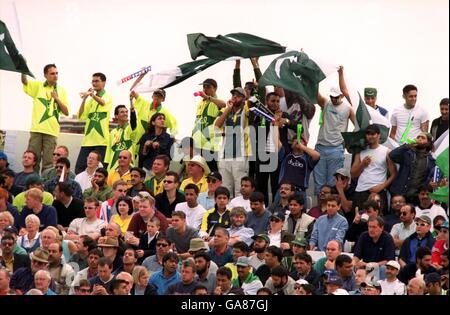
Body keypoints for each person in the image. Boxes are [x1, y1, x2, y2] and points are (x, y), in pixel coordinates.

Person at [313, 67, 356, 196]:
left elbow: (358, 126)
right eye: (332, 97)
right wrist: (312, 72)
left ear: (342, 96)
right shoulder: (326, 103)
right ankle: (320, 213)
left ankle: (331, 210)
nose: (334, 99)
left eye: (336, 97)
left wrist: (349, 142)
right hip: (320, 147)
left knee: (333, 183)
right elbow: (315, 92)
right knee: (319, 184)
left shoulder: (348, 108)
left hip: (336, 149)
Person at [21, 64, 69, 173]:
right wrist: (22, 69)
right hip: (36, 130)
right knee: (33, 160)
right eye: (52, 73)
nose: (55, 75)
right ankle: (32, 184)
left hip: (51, 131)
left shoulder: (62, 90)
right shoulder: (38, 86)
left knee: (48, 163)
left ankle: (44, 185)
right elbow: (24, 81)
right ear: (45, 75)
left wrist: (57, 99)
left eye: (57, 73)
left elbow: (66, 112)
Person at [350, 124, 397, 214]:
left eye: (373, 134)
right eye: (368, 134)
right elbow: (353, 174)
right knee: (360, 220)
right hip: (361, 191)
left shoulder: (386, 151)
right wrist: (362, 164)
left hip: (378, 191)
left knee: (378, 219)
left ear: (378, 135)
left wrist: (381, 187)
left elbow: (394, 174)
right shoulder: (360, 151)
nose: (370, 136)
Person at [215, 87, 252, 198]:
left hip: (240, 156)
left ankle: (239, 214)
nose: (235, 97)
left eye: (238, 95)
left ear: (244, 99)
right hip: (225, 156)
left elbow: (252, 103)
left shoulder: (246, 110)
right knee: (225, 190)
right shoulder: (226, 111)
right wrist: (228, 108)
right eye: (233, 95)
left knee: (240, 191)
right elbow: (217, 126)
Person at [76, 72, 112, 174]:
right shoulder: (90, 101)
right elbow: (80, 116)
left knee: (100, 170)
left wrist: (91, 95)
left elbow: (102, 102)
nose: (94, 83)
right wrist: (84, 99)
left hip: (101, 141)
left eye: (97, 81)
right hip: (87, 141)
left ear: (104, 82)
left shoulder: (107, 96)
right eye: (93, 81)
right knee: (79, 168)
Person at [389, 132, 436, 205]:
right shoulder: (408, 153)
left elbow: (428, 180)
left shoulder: (431, 161)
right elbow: (392, 155)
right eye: (418, 137)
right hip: (399, 194)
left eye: (423, 138)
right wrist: (407, 146)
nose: (419, 139)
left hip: (415, 198)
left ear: (428, 143)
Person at [192, 78, 226, 172]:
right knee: (199, 173)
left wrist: (208, 97)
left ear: (215, 88)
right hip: (198, 144)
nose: (205, 89)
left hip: (210, 145)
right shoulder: (201, 103)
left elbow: (223, 105)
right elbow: (198, 122)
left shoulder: (217, 102)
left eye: (208, 87)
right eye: (204, 87)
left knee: (212, 173)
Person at [278, 138, 320, 205]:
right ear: (291, 144)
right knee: (277, 213)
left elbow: (317, 155)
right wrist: (275, 128)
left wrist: (302, 146)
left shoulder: (307, 159)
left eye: (301, 141)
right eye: (295, 140)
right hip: (283, 190)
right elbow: (278, 144)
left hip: (300, 192)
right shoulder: (286, 155)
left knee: (300, 214)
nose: (297, 142)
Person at [105, 104, 137, 173]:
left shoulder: (130, 129)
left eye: (126, 112)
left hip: (128, 170)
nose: (125, 114)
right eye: (122, 112)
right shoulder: (113, 132)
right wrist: (106, 167)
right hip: (113, 169)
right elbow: (108, 152)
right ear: (116, 116)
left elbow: (133, 122)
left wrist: (132, 107)